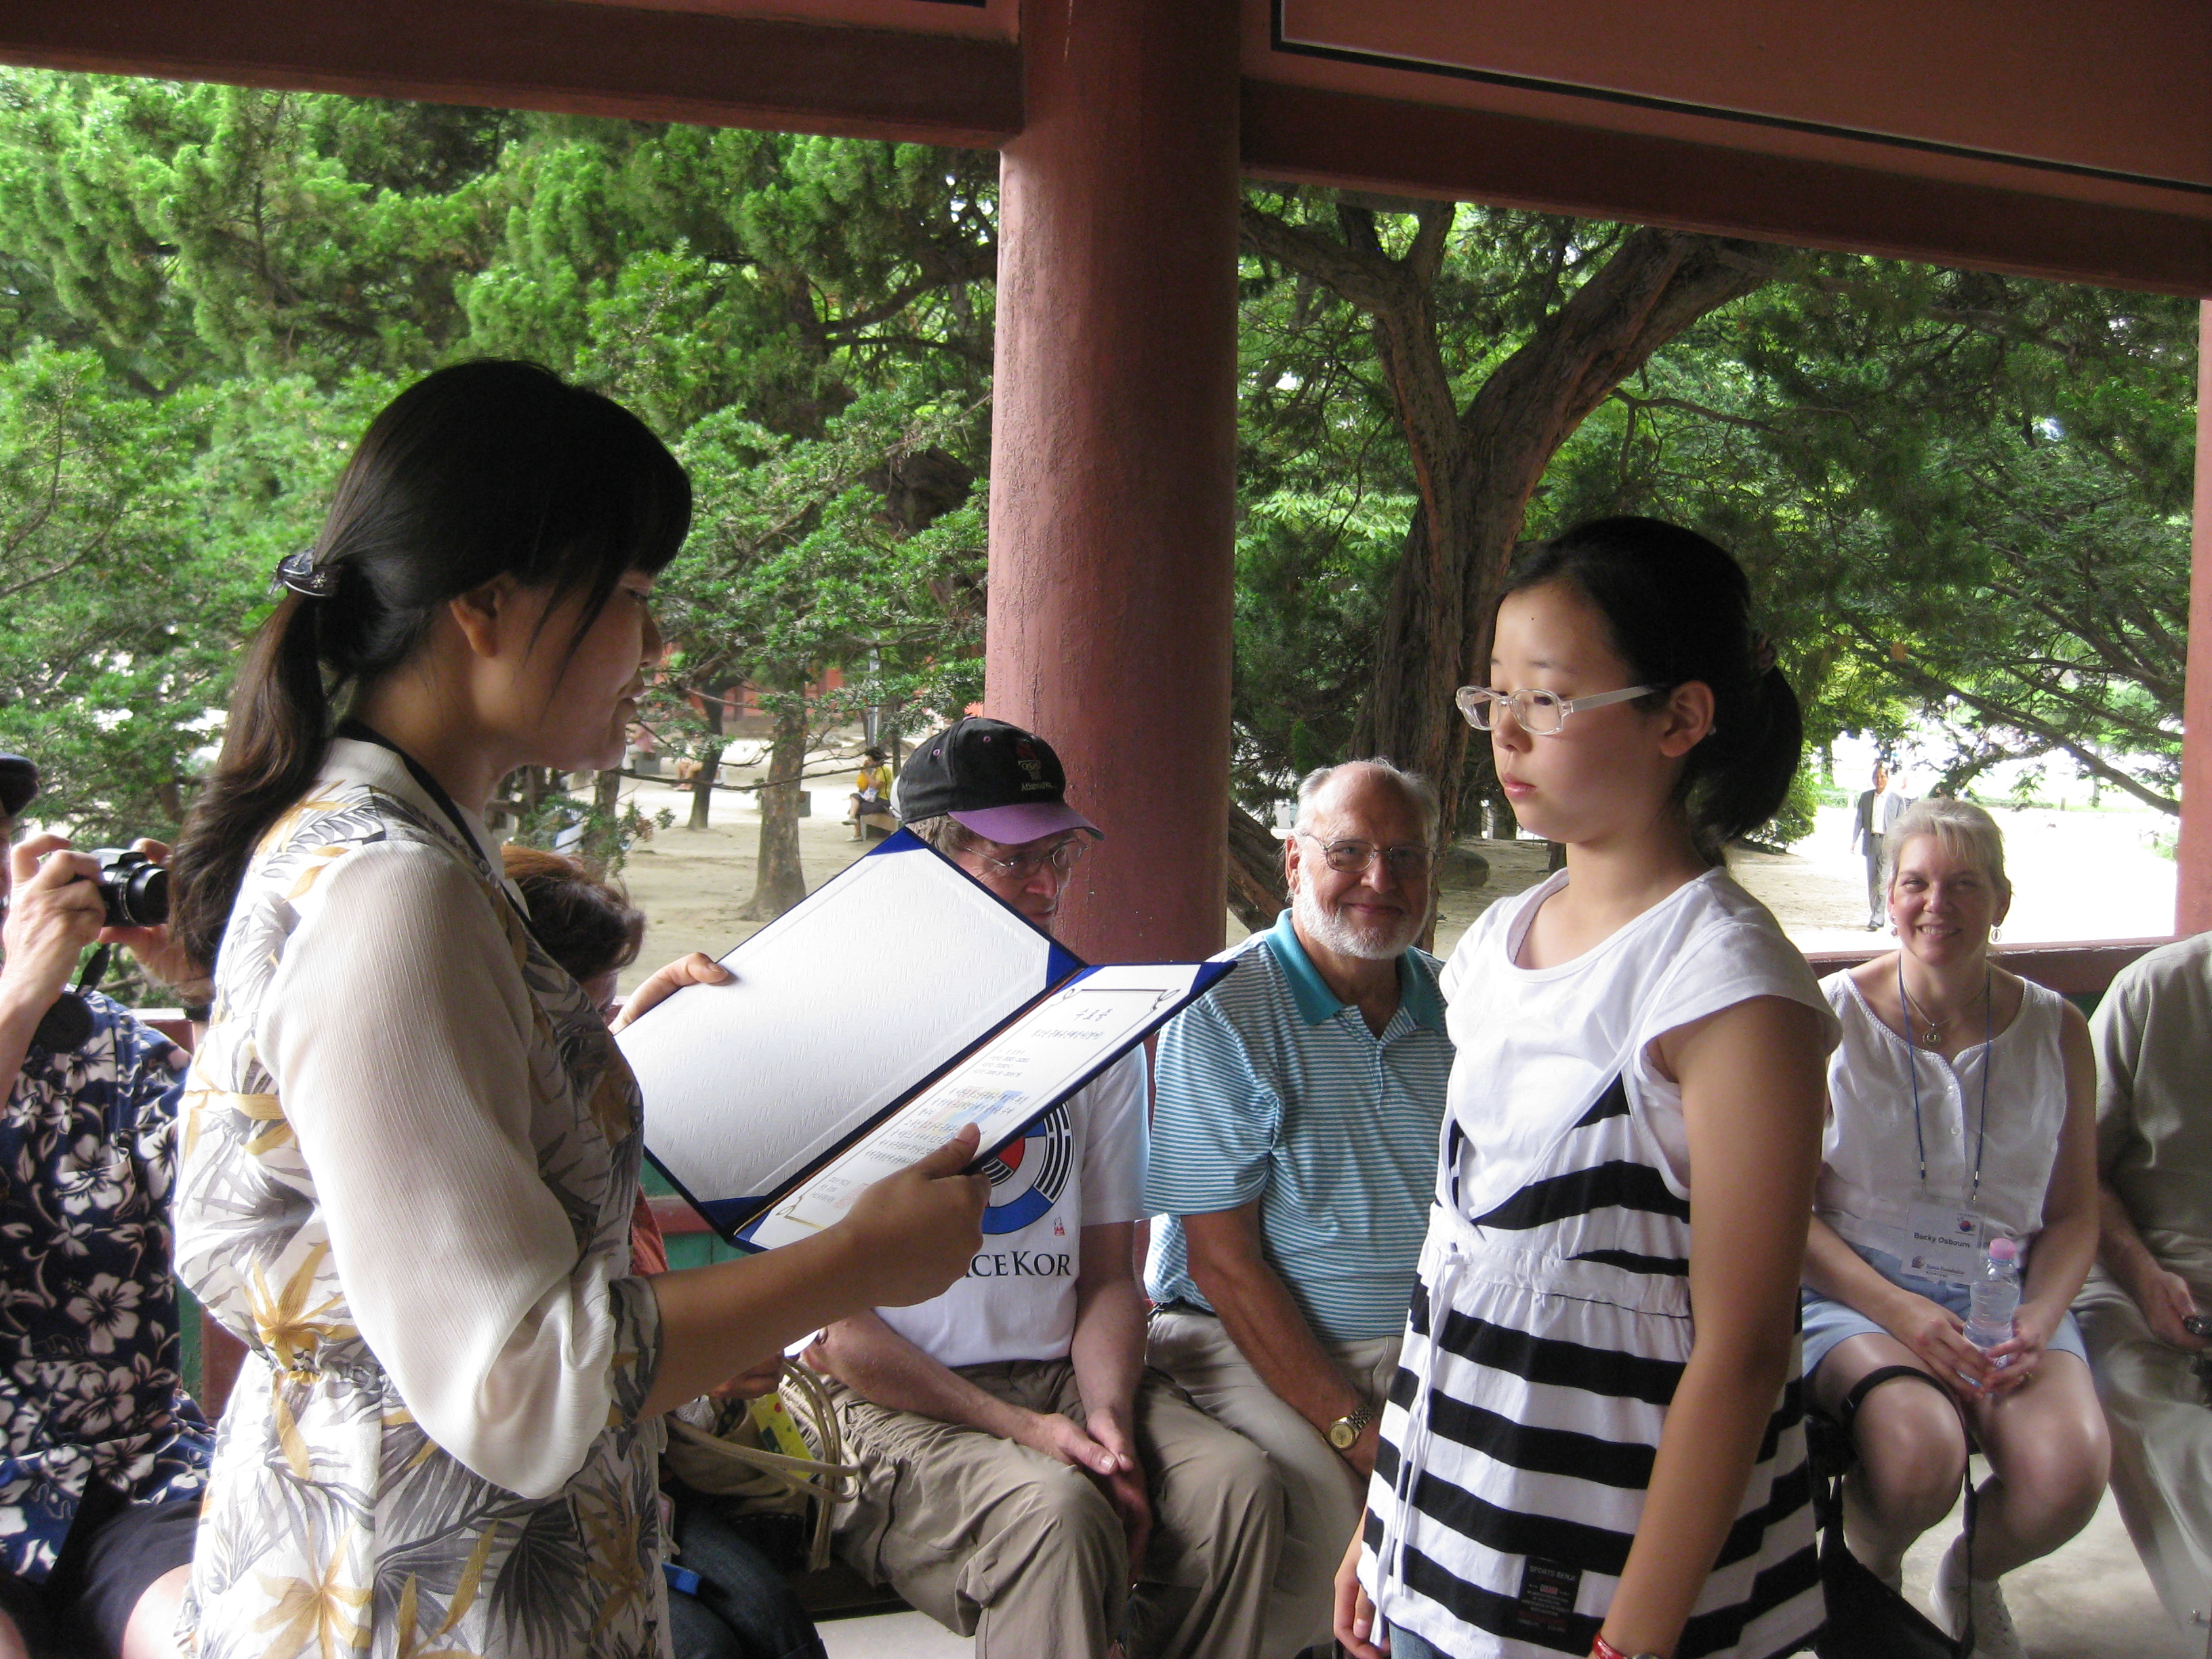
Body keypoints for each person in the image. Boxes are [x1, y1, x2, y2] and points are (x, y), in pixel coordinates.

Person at [164, 361, 987, 1659]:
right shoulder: (392, 889)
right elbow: (518, 1381)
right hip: (425, 1602)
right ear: (487, 605)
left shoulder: (405, 853)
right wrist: (853, 1262)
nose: (654, 651)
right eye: (631, 597)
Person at [1337, 516, 1837, 1659]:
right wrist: (1380, 1525)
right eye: (1496, 694)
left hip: (1613, 1586)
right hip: (1440, 1545)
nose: (1506, 731)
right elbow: (1451, 1265)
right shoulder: (1495, 944)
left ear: (1679, 719)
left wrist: (1635, 1637)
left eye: (1549, 698)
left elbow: (1744, 1351)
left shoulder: (1727, 993)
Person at [805, 715, 1282, 1659]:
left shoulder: (1088, 1029)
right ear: (926, 865)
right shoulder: (843, 1032)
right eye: (1015, 861)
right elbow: (840, 1334)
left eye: (1058, 857)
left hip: (1063, 1373)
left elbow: (1109, 1277)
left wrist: (1106, 1419)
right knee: (1055, 1512)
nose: (1049, 887)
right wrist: (1024, 1430)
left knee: (1238, 1488)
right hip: (885, 1398)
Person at [1144, 758, 1453, 1659]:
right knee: (1331, 1528)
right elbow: (1224, 1265)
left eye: (1405, 856)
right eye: (1348, 852)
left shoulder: (1460, 1006)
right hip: (1243, 1337)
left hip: (1426, 1344)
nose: (1379, 880)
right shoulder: (1224, 1007)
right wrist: (1355, 1431)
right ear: (1292, 861)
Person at [1799, 796, 2106, 1659]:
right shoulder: (1827, 1020)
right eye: (1916, 883)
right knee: (1919, 1454)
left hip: (2005, 1293)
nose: (1938, 904)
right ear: (1888, 896)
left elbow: (2074, 1213)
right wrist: (1901, 1311)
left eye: (1965, 884)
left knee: (2071, 1472)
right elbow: (1786, 1214)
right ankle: (1872, 1569)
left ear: (2002, 900)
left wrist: (2038, 1318)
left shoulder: (2058, 1029)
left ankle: (1972, 1574)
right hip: (1858, 1289)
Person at [503, 844, 827, 1659]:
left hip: (643, 1478)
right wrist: (691, 1359)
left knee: (782, 1634)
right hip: (526, 1510)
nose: (602, 1049)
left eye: (608, 1014)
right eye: (579, 1023)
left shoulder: (585, 1108)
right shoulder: (478, 1154)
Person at [0, 754, 213, 1659]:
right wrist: (16, 999)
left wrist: (207, 989)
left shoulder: (105, 1047)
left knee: (220, 1640)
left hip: (137, 1474)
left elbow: (258, 1188)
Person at [2072, 933, 2212, 1637]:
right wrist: (2146, 1277)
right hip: (2137, 1268)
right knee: (2141, 1397)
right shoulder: (2155, 991)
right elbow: (2076, 1176)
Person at [1851, 762, 1890, 930]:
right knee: (1873, 881)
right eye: (1876, 776)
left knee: (1882, 881)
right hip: (1871, 842)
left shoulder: (1895, 799)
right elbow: (1859, 820)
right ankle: (1875, 914)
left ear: (1888, 778)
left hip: (1888, 843)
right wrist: (1854, 840)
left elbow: (1902, 824)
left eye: (1882, 776)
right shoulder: (1866, 797)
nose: (1879, 779)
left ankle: (1878, 916)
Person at [846, 747, 893, 840]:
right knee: (855, 797)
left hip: (883, 801)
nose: (868, 762)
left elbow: (875, 786)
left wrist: (866, 774)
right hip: (874, 799)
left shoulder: (885, 770)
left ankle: (857, 834)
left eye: (870, 760)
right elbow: (865, 786)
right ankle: (852, 817)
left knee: (857, 807)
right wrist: (865, 770)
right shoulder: (878, 771)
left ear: (876, 760)